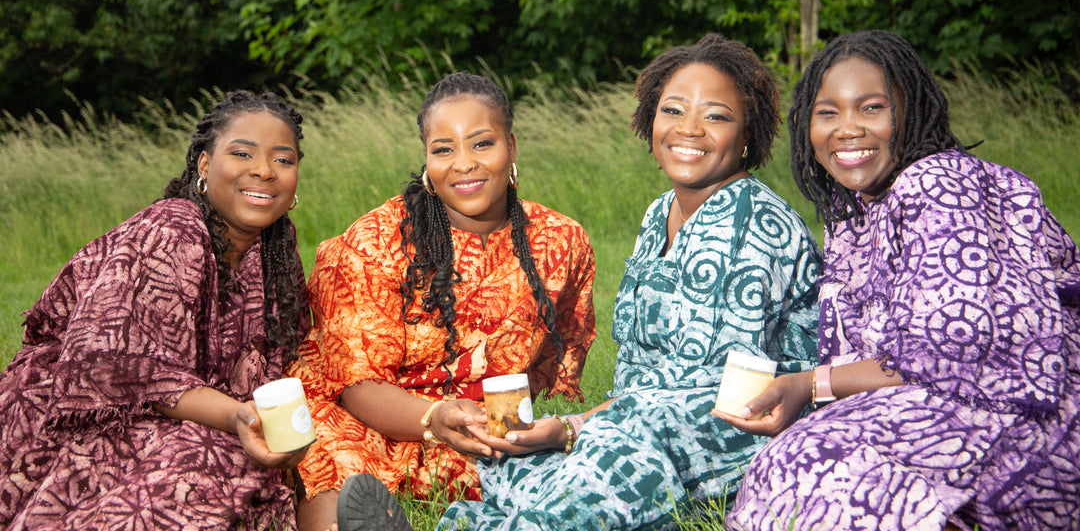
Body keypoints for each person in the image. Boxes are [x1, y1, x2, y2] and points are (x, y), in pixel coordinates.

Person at [412, 33, 820, 531]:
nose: (689, 129)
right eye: (672, 111)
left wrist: (575, 428)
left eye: (715, 116)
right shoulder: (661, 212)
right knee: (513, 455)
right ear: (651, 120)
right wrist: (578, 431)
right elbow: (638, 367)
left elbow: (701, 387)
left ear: (748, 132)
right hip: (641, 418)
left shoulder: (751, 220)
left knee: (606, 457)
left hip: (741, 430)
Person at [721, 29, 1080, 531]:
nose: (847, 129)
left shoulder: (940, 183)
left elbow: (948, 356)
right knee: (789, 463)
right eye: (828, 113)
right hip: (941, 402)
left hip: (1031, 417)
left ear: (912, 112)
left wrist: (807, 386)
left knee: (812, 462)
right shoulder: (853, 211)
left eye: (872, 108)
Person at [288, 72, 597, 531]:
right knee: (332, 455)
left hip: (478, 431)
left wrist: (504, 424)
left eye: (482, 144)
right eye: (444, 149)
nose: (464, 164)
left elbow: (554, 360)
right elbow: (355, 384)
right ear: (426, 159)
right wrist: (435, 417)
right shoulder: (375, 241)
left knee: (557, 474)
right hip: (369, 416)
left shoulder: (560, 241)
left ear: (511, 146)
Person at [0, 90, 311, 530]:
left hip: (201, 416)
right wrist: (236, 416)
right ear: (204, 165)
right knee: (212, 459)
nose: (264, 170)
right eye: (242, 153)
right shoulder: (173, 228)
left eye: (283, 159)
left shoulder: (276, 249)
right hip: (90, 415)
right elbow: (123, 369)